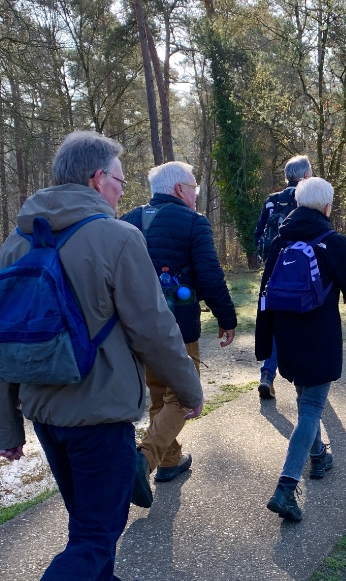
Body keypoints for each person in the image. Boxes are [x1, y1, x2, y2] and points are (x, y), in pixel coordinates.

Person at [0, 131, 203, 580]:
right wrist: (189, 389)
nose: (123, 191)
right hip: (99, 413)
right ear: (97, 177)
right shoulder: (117, 238)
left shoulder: (16, 242)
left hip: (45, 413)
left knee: (86, 525)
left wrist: (6, 426)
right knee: (95, 536)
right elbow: (155, 330)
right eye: (120, 180)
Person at [255, 177, 346, 522]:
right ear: (327, 206)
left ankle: (319, 457)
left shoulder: (280, 240)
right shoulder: (334, 242)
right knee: (311, 407)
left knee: (305, 401)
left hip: (287, 338)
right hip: (320, 338)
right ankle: (286, 487)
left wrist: (263, 343)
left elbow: (264, 295)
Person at [121, 161, 237, 483]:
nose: (196, 194)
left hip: (136, 328)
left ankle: (170, 460)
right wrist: (226, 318)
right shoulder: (193, 222)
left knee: (159, 392)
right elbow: (210, 277)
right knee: (185, 395)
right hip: (178, 326)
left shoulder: (127, 221)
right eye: (193, 188)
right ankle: (144, 459)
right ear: (178, 190)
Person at [252, 155, 312, 399]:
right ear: (306, 175)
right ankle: (306, 377)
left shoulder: (272, 201)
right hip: (301, 274)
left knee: (276, 323)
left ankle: (267, 374)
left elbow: (258, 234)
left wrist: (269, 261)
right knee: (306, 322)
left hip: (274, 271)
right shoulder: (308, 198)